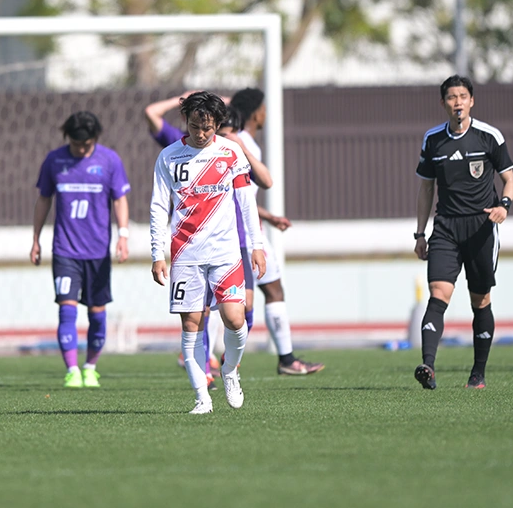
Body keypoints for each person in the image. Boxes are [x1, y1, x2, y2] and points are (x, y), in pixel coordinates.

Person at [150, 91, 266, 414]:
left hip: (225, 252)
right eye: (195, 126)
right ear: (185, 122)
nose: (201, 133)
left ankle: (229, 370)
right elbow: (159, 207)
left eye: (208, 127)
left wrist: (256, 246)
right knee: (191, 326)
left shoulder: (231, 153)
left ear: (217, 123)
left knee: (235, 318)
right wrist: (157, 253)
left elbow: (246, 202)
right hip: (185, 254)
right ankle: (202, 397)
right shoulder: (169, 157)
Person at [413, 75, 513, 389]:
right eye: (451, 97)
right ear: (443, 102)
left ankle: (478, 374)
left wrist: (504, 206)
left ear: (471, 101)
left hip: (482, 227)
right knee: (438, 295)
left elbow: (510, 179)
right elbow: (425, 189)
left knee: (480, 300)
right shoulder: (432, 140)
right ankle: (428, 367)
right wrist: (420, 234)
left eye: (462, 96)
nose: (457, 102)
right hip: (445, 227)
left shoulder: (489, 136)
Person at [31, 111, 131, 388]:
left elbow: (120, 200)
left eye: (86, 144)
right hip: (65, 251)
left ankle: (90, 367)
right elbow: (43, 200)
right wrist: (36, 238)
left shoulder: (110, 160)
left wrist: (123, 235)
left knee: (97, 313)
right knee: (66, 309)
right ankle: (72, 370)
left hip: (98, 252)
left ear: (95, 139)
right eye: (76, 144)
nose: (81, 149)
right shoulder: (54, 160)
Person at [231, 87, 325, 375]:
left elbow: (241, 196)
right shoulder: (242, 143)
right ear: (255, 113)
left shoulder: (239, 140)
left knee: (263, 293)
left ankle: (284, 359)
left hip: (249, 229)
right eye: (264, 108)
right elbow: (237, 196)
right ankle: (282, 360)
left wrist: (269, 216)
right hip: (244, 235)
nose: (267, 113)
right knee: (249, 299)